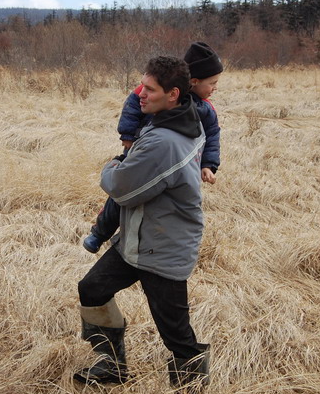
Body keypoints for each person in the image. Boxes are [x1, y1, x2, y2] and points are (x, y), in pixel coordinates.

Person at [74, 56, 210, 394]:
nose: (140, 94)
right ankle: (112, 365)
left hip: (164, 248)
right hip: (139, 238)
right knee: (92, 289)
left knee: (175, 332)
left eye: (150, 89)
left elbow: (122, 188)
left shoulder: (165, 141)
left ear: (173, 94)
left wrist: (112, 165)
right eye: (141, 87)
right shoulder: (178, 120)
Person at [82, 42, 223, 254]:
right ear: (194, 81)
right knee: (120, 195)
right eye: (212, 83)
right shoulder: (160, 90)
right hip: (140, 149)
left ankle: (141, 240)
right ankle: (100, 233)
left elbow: (212, 134)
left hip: (176, 163)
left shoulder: (205, 108)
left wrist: (208, 164)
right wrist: (128, 134)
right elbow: (132, 105)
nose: (215, 88)